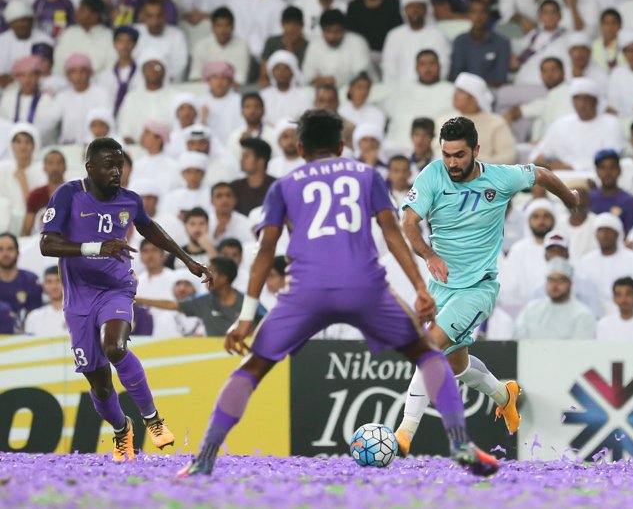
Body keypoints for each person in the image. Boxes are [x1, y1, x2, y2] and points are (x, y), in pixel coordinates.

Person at [179, 110, 498, 476]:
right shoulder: (367, 174)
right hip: (365, 286)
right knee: (428, 355)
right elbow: (393, 233)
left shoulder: (283, 185)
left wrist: (247, 316)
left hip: (305, 290)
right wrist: (420, 289)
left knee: (250, 368)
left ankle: (204, 457)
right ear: (343, 146)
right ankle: (460, 441)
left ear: (300, 148)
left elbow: (266, 251)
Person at [396, 115, 579, 455]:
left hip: (478, 289)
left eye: (460, 155)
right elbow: (408, 223)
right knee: (456, 364)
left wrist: (568, 197)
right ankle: (504, 394)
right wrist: (429, 256)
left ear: (476, 150)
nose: (452, 162)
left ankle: (404, 435)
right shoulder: (432, 175)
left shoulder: (501, 177)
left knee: (429, 349)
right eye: (447, 154)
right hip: (441, 287)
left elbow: (540, 173)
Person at [38, 137, 210, 460]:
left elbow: (149, 228)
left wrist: (187, 259)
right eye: (109, 166)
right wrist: (96, 248)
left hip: (116, 287)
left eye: (120, 165)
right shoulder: (68, 194)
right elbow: (47, 244)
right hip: (78, 297)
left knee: (115, 347)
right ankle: (122, 430)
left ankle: (153, 419)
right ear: (90, 168)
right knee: (100, 385)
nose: (117, 171)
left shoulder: (130, 201)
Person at [530, 78, 623, 170]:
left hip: (596, 179)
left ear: (596, 101)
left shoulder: (611, 123)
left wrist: (572, 167)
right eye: (577, 99)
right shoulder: (561, 124)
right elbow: (537, 154)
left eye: (587, 99)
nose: (582, 104)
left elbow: (612, 160)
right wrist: (543, 161)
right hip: (561, 178)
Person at [514, 257, 596, 339]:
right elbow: (519, 338)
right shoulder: (531, 308)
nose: (554, 285)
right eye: (551, 280)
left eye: (560, 280)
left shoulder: (582, 314)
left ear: (570, 284)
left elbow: (580, 348)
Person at [381, 0, 451, 83]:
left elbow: (444, 66)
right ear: (403, 10)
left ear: (426, 9)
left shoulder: (438, 35)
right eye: (410, 7)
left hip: (432, 87)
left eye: (419, 6)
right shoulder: (394, 35)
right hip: (400, 88)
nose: (414, 10)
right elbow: (388, 67)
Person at [449, 0, 512, 85]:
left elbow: (500, 79)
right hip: (464, 92)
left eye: (482, 12)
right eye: (474, 12)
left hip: (492, 92)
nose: (478, 16)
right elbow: (455, 75)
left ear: (488, 15)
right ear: (468, 15)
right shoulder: (460, 41)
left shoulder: (501, 43)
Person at [588, 150, 633, 233]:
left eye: (612, 167)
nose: (607, 172)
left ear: (619, 170)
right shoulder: (588, 199)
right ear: (597, 172)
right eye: (603, 168)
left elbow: (631, 236)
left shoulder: (630, 202)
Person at [230, 137, 275, 216]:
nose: (241, 160)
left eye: (246, 156)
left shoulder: (275, 186)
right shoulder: (235, 187)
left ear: (261, 161)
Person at [22, 267, 66, 336]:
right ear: (44, 286)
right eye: (49, 282)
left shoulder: (80, 316)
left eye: (58, 281)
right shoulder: (34, 317)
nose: (54, 286)